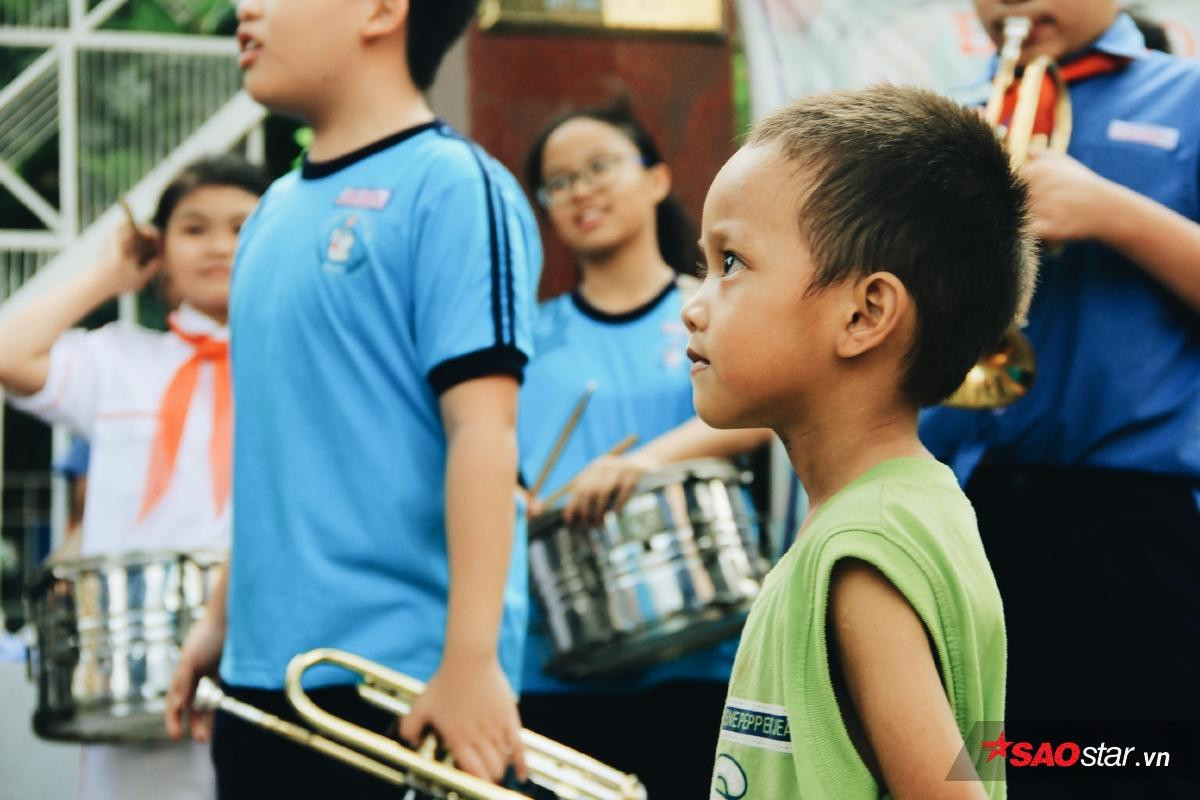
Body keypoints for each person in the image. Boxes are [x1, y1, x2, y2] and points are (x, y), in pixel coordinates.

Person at [166, 1, 541, 797]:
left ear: (381, 10)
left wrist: (471, 665)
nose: (246, 8)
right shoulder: (270, 212)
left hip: (404, 696)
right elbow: (284, 452)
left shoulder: (455, 185)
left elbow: (485, 431)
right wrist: (219, 621)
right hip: (261, 685)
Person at [691, 85, 1032, 798]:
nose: (695, 306)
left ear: (865, 313)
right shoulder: (910, 507)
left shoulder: (862, 551)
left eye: (731, 264)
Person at [921, 4, 1200, 796]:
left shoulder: (1185, 96)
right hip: (959, 511)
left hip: (1130, 520)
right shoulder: (947, 114)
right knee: (982, 768)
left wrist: (1114, 213)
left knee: (1141, 767)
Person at [517, 101, 772, 799]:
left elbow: (765, 410)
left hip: (701, 646)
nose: (581, 189)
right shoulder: (528, 338)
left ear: (657, 179)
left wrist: (643, 462)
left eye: (600, 166)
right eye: (559, 181)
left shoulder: (711, 309)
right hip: (558, 653)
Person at [0, 154, 269, 800]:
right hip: (133, 665)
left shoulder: (297, 367)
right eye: (194, 229)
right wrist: (110, 276)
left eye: (242, 227)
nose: (219, 246)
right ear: (160, 248)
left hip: (258, 654)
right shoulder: (120, 359)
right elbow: (10, 355)